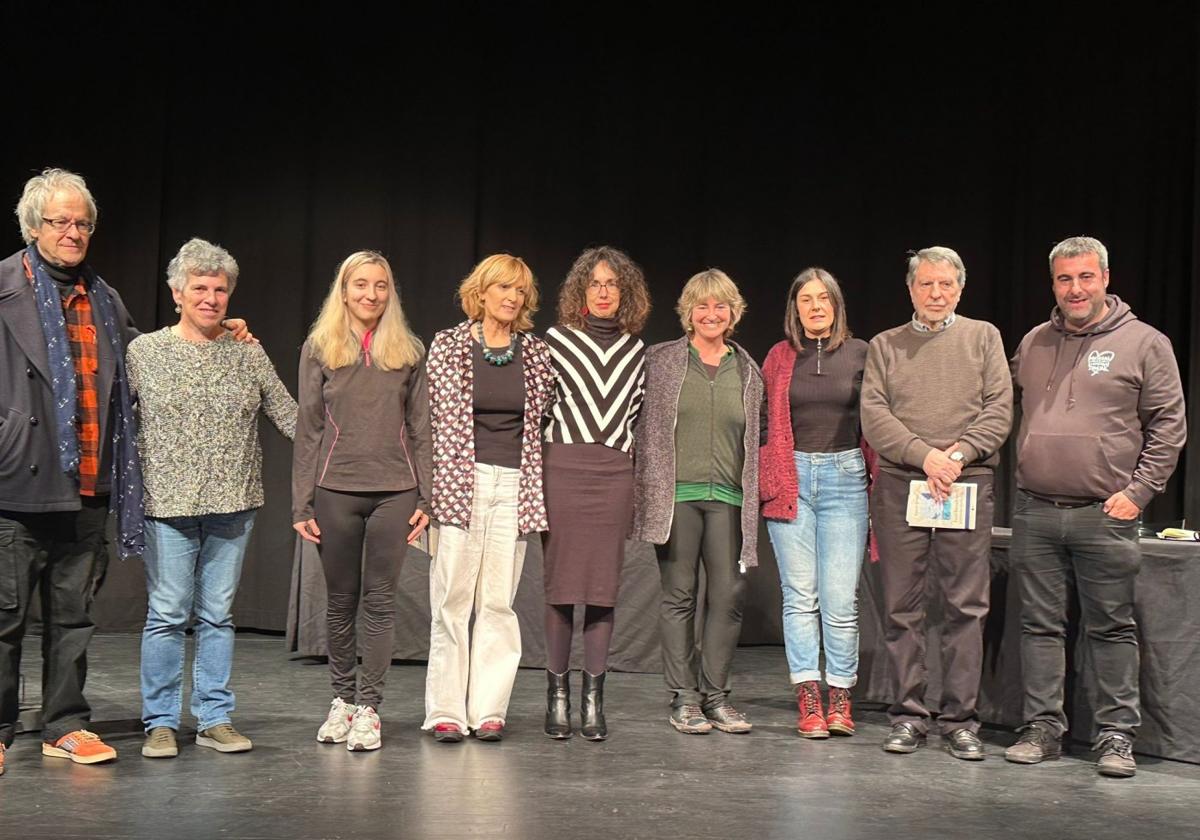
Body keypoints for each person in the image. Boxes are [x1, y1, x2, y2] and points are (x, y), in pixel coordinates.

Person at [0, 168, 252, 772]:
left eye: (82, 222)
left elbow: (145, 361)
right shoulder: (5, 285)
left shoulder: (103, 296)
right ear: (34, 224)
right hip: (17, 480)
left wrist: (214, 334)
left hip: (88, 481)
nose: (73, 231)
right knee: (5, 618)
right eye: (60, 221)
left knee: (73, 616)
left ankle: (64, 723)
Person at [1004, 236, 1185, 778]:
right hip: (1035, 509)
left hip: (1105, 514)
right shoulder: (1033, 342)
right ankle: (1041, 727)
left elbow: (1169, 426)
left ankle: (1115, 735)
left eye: (1085, 277)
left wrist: (1139, 493)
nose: (1075, 288)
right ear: (1052, 283)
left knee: (1110, 628)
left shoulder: (1145, 343)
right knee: (1038, 626)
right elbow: (1002, 408)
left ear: (1105, 277)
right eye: (1064, 279)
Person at [128, 238, 295, 759]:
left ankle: (214, 717)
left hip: (232, 502)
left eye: (220, 289)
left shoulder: (247, 351)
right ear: (177, 292)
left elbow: (290, 417)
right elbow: (120, 427)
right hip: (168, 504)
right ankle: (159, 721)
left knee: (218, 616)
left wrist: (355, 437)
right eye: (199, 287)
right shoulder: (145, 352)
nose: (211, 297)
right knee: (167, 613)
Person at [860, 246, 1012, 760]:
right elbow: (875, 415)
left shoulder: (983, 337)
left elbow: (999, 408)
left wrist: (958, 455)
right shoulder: (885, 345)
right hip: (904, 482)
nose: (936, 293)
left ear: (960, 288)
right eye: (926, 284)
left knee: (965, 606)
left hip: (966, 482)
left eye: (945, 284)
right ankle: (908, 715)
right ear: (910, 289)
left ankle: (960, 719)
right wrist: (926, 457)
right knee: (902, 606)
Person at [293, 251, 431, 752]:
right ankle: (342, 702)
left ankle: (370, 708)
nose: (370, 294)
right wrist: (301, 505)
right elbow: (307, 429)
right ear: (344, 289)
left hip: (395, 493)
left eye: (380, 285)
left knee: (379, 603)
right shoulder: (320, 347)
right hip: (336, 491)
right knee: (339, 602)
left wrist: (428, 497)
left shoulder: (408, 351)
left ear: (389, 292)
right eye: (360, 285)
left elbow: (421, 428)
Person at [422, 254, 555, 743]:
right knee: (452, 599)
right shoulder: (448, 345)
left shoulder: (536, 353)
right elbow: (428, 422)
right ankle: (446, 712)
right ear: (480, 292)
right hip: (460, 482)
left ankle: (489, 709)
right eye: (502, 287)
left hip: (516, 483)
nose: (512, 297)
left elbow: (546, 422)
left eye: (519, 290)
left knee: (499, 602)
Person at [634, 269, 763, 735]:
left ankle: (716, 696)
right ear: (688, 312)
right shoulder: (661, 360)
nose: (712, 314)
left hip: (729, 497)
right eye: (702, 306)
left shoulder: (748, 369)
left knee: (728, 595)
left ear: (733, 313)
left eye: (721, 306)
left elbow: (758, 436)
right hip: (676, 497)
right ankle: (684, 697)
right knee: (680, 595)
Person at [541, 246, 649, 740]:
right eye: (595, 284)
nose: (604, 292)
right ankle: (557, 697)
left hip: (613, 473)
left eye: (612, 285)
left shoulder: (636, 349)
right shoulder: (555, 342)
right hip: (563, 468)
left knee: (602, 592)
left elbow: (641, 421)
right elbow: (538, 410)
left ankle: (593, 701)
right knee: (563, 591)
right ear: (581, 292)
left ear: (624, 293)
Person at [760, 267, 869, 738]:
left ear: (837, 304)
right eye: (806, 299)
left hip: (846, 478)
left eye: (824, 298)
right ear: (795, 308)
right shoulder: (781, 357)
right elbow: (763, 421)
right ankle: (809, 695)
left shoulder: (863, 354)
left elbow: (878, 423)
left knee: (841, 600)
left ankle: (841, 696)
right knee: (800, 596)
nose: (816, 306)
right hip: (793, 478)